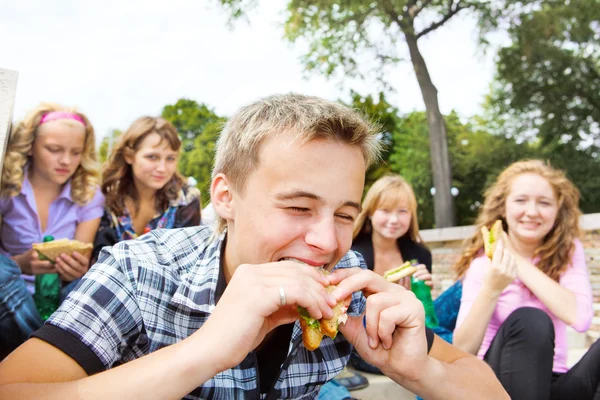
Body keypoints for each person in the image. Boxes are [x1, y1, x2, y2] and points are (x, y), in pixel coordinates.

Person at [0, 94, 507, 399]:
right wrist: (205, 352)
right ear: (226, 197)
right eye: (298, 208)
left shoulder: (350, 284)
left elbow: (485, 386)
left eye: (346, 215)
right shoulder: (140, 272)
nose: (327, 241)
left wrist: (418, 369)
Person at [453, 160, 599, 399]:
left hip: (555, 382)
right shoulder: (484, 265)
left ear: (557, 210)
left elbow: (580, 318)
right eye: (521, 200)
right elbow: (462, 350)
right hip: (497, 383)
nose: (532, 212)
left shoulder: (568, 253)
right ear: (503, 207)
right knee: (530, 320)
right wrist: (492, 288)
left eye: (544, 203)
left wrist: (517, 262)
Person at [0, 104, 104, 359]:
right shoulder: (7, 188)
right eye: (54, 149)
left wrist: (78, 269)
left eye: (75, 152)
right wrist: (22, 264)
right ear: (31, 146)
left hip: (60, 295)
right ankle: (45, 348)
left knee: (96, 280)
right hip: (10, 293)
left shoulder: (89, 195)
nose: (66, 161)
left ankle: (30, 347)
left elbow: (83, 259)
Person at [91, 116, 201, 262]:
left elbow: (187, 262)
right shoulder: (105, 197)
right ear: (129, 156)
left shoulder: (186, 199)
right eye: (152, 157)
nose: (162, 168)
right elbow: (97, 259)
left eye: (170, 158)